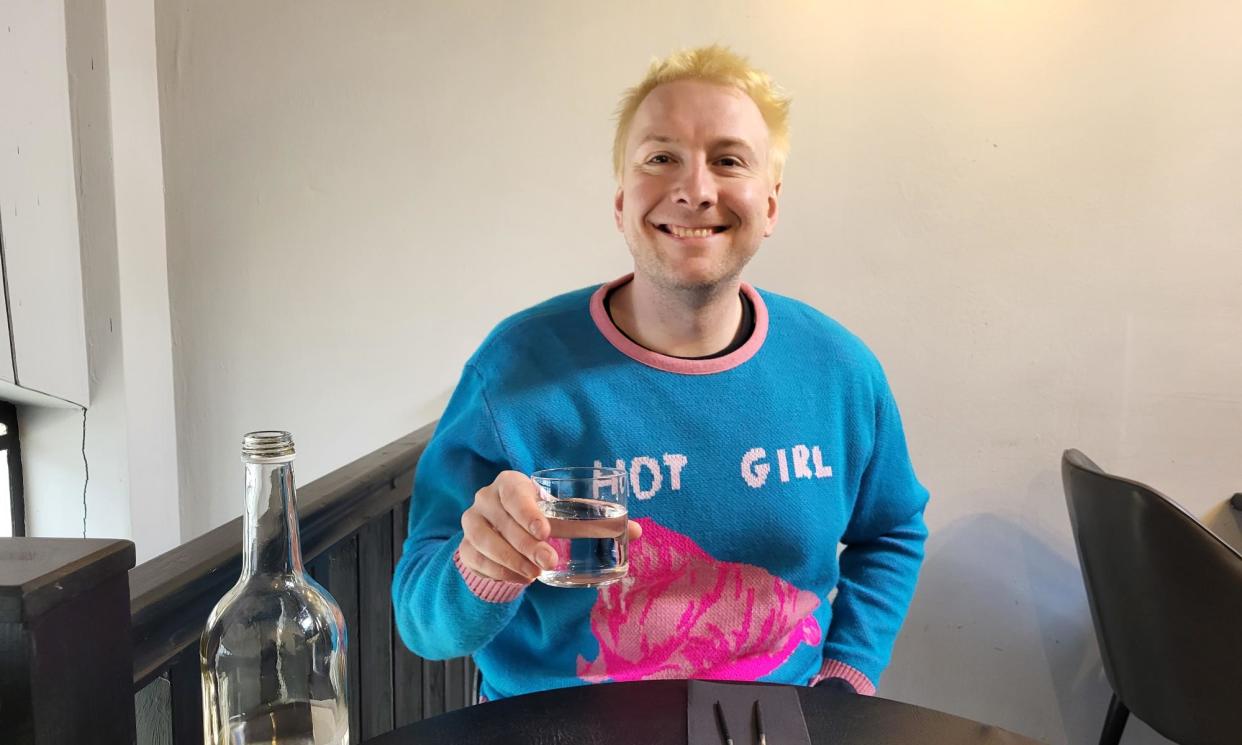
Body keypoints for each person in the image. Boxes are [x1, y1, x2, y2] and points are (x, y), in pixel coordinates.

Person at [392, 45, 929, 702]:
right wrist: (481, 570)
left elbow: (894, 529)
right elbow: (422, 623)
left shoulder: (840, 372)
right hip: (554, 719)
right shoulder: (512, 371)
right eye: (660, 157)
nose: (695, 188)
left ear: (771, 204)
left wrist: (848, 669)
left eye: (729, 161)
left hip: (773, 716)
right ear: (622, 201)